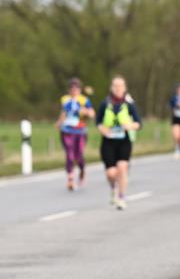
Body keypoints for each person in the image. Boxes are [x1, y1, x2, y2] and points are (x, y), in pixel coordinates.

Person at [96, 76, 141, 210]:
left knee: (122, 168)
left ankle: (121, 196)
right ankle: (113, 188)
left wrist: (130, 125)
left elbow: (139, 123)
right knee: (111, 173)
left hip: (124, 140)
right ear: (111, 88)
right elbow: (98, 121)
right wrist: (102, 129)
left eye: (120, 86)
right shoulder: (105, 103)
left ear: (125, 88)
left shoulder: (129, 104)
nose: (118, 88)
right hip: (108, 141)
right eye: (115, 86)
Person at [54, 78, 94, 190]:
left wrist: (84, 111)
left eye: (76, 89)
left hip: (80, 131)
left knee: (79, 155)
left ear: (80, 90)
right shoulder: (65, 99)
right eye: (72, 89)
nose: (74, 91)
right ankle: (70, 179)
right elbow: (64, 112)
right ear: (69, 90)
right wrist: (59, 122)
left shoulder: (84, 100)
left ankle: (82, 170)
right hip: (67, 130)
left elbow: (92, 113)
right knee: (69, 154)